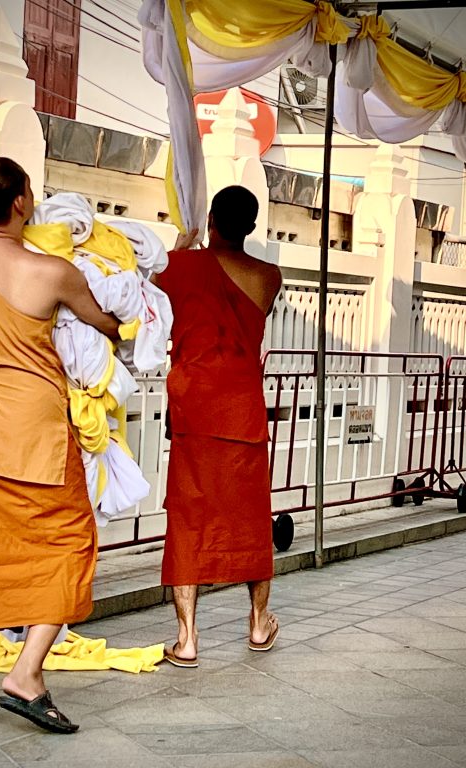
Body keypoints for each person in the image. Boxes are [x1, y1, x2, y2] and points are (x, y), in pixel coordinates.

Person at [0, 158, 119, 733]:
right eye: (32, 192)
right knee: (71, 542)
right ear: (20, 203)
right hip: (37, 433)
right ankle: (25, 672)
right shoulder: (53, 272)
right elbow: (108, 323)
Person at [154, 185, 283, 667]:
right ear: (251, 227)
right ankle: (257, 622)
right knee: (250, 520)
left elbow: (156, 284)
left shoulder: (179, 266)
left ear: (209, 219)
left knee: (188, 521)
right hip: (243, 410)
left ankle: (186, 638)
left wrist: (184, 247)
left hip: (193, 408)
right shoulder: (269, 276)